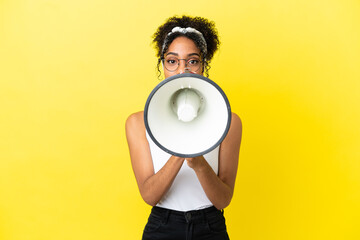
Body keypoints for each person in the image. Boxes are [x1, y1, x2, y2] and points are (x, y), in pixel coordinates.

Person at [126, 15, 242, 240]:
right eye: (172, 61)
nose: (182, 70)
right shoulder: (137, 123)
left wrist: (199, 164)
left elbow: (223, 200)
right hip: (163, 226)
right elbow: (150, 196)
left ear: (204, 65)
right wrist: (181, 149)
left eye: (192, 61)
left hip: (211, 227)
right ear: (162, 65)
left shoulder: (229, 122)